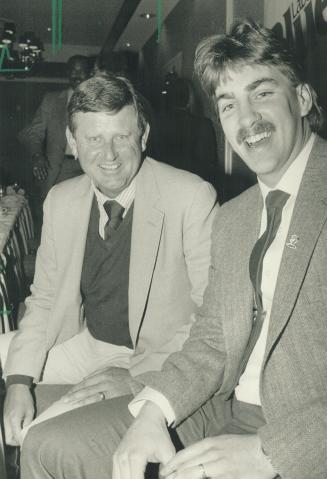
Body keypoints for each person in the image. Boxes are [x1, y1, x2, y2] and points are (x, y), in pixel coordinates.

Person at [19, 18, 327, 479]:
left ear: (302, 98)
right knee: (45, 445)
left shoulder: (198, 197)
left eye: (262, 93)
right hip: (219, 401)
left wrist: (270, 452)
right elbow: (212, 339)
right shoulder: (237, 216)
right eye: (228, 105)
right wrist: (153, 410)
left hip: (294, 427)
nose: (247, 120)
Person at [1, 73, 217, 449]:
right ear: (72, 142)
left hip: (155, 354)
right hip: (87, 341)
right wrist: (18, 381)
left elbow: (211, 313)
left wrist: (137, 376)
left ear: (144, 135)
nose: (109, 155)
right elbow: (46, 298)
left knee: (41, 438)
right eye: (94, 139)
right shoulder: (61, 200)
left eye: (122, 136)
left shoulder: (190, 196)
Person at [17, 55, 91, 236]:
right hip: (59, 169)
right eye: (72, 70)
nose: (76, 74)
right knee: (55, 223)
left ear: (89, 74)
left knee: (85, 224)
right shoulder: (51, 100)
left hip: (90, 170)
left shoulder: (98, 101)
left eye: (81, 70)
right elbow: (32, 132)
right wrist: (37, 156)